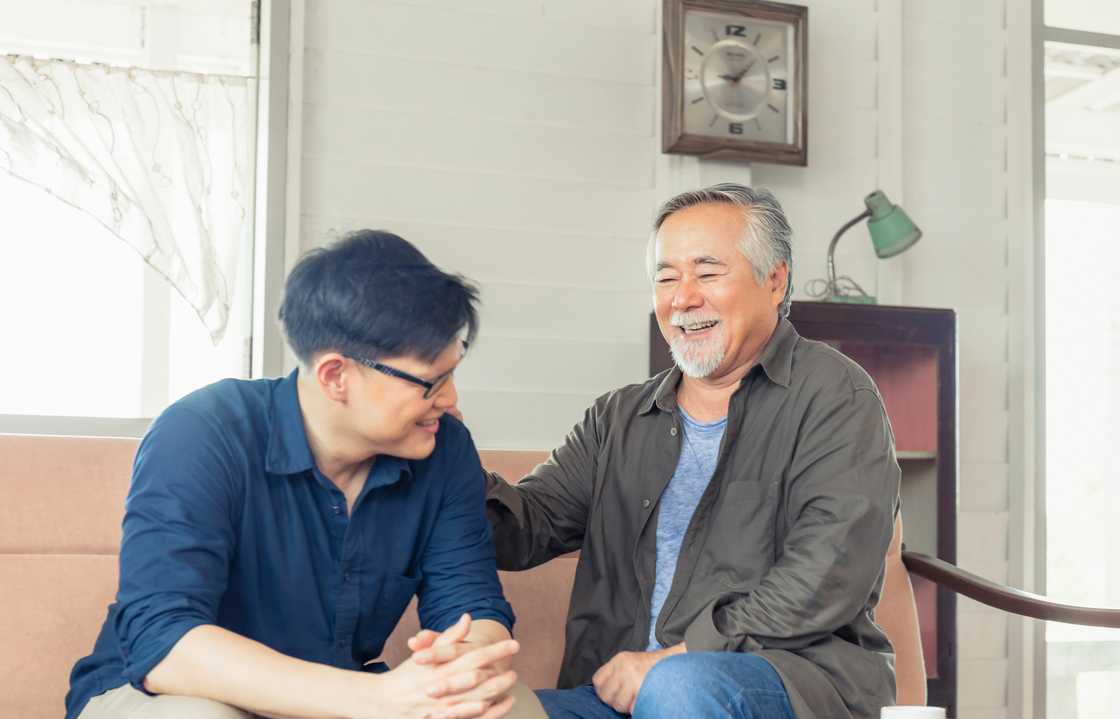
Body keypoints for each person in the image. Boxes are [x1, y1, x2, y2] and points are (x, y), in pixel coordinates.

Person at [67, 231, 546, 719]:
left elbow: (471, 604)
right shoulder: (203, 431)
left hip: (343, 698)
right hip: (174, 695)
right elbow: (163, 641)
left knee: (509, 708)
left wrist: (463, 665)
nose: (450, 401)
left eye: (453, 372)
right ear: (336, 376)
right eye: (431, 382)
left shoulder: (445, 450)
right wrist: (379, 699)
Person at [481, 184, 901, 718]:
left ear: (775, 281)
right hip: (617, 697)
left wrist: (676, 658)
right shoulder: (617, 418)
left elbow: (827, 572)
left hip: (791, 685)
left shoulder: (836, 395)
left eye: (707, 273)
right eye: (665, 277)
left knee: (679, 689)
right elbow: (524, 529)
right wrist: (441, 456)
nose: (682, 298)